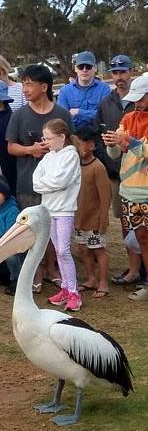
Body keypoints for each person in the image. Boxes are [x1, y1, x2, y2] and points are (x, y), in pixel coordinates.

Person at [6, 64, 72, 290]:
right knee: (32, 229)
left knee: (53, 228)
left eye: (29, 84)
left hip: (56, 187)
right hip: (27, 182)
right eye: (23, 83)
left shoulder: (61, 114)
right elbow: (11, 147)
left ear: (44, 87)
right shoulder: (19, 115)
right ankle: (36, 271)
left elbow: (71, 147)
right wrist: (30, 150)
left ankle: (53, 269)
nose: (24, 88)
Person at [93, 54, 141, 284]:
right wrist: (108, 160)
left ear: (131, 72)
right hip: (116, 173)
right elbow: (98, 135)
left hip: (142, 174)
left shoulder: (140, 99)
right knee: (125, 222)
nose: (119, 77)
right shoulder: (105, 102)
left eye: (123, 72)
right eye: (115, 72)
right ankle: (133, 269)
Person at [103, 74, 148, 301]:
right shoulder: (128, 117)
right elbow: (116, 153)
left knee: (145, 237)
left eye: (141, 99)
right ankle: (143, 279)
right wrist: (111, 144)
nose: (137, 103)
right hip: (128, 190)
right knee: (139, 237)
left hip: (146, 191)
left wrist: (127, 142)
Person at [33, 119, 82, 311]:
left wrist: (46, 184)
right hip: (49, 210)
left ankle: (74, 293)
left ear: (61, 137)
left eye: (49, 138)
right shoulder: (48, 157)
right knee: (57, 250)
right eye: (44, 138)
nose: (46, 142)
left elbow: (60, 181)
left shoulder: (71, 156)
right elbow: (35, 180)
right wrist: (47, 184)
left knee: (63, 250)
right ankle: (65, 288)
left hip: (64, 211)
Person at [74, 130, 112, 298]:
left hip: (94, 219)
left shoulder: (98, 168)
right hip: (79, 218)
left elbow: (105, 197)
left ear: (91, 146)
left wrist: (102, 221)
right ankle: (91, 278)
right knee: (83, 249)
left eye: (81, 144)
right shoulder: (75, 166)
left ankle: (103, 282)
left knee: (98, 250)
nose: (78, 148)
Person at [57, 51, 111, 132]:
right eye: (81, 67)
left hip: (98, 135)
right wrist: (92, 115)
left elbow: (105, 115)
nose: (84, 70)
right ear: (75, 68)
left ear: (95, 68)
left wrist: (79, 112)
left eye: (88, 67)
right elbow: (62, 118)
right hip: (74, 137)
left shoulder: (104, 89)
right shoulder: (65, 91)